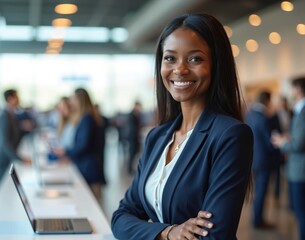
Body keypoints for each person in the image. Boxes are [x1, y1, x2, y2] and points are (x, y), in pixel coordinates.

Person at [111, 13, 253, 240]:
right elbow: (121, 217)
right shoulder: (157, 137)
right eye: (170, 58)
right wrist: (168, 232)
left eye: (195, 59)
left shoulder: (230, 135)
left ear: (217, 65)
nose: (180, 69)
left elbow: (214, 234)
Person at [54, 88, 103, 199]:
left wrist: (66, 152)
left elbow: (83, 145)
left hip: (88, 169)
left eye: (73, 99)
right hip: (87, 166)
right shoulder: (85, 117)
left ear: (79, 100)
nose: (71, 102)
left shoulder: (87, 118)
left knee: (90, 202)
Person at [272, 77, 305, 240]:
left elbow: (299, 145)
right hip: (297, 168)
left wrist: (282, 143)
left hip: (300, 170)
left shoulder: (303, 111)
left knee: (301, 211)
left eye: (292, 89)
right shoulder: (298, 110)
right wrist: (288, 137)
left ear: (298, 90)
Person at [245, 91, 281, 229]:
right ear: (266, 100)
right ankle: (258, 220)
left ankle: (257, 218)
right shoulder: (263, 117)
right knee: (261, 191)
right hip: (264, 160)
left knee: (257, 191)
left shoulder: (250, 114)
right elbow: (269, 141)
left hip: (253, 158)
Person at [0, 89, 31, 186]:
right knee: (2, 191)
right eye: (17, 97)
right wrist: (20, 159)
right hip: (4, 160)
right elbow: (4, 142)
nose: (19, 99)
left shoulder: (12, 115)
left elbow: (14, 134)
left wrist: (24, 129)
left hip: (10, 158)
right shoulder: (3, 116)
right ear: (10, 99)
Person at [125, 101, 143, 174]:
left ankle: (130, 168)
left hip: (135, 137)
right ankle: (129, 169)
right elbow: (132, 127)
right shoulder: (131, 115)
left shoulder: (136, 114)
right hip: (132, 137)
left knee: (134, 152)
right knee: (132, 152)